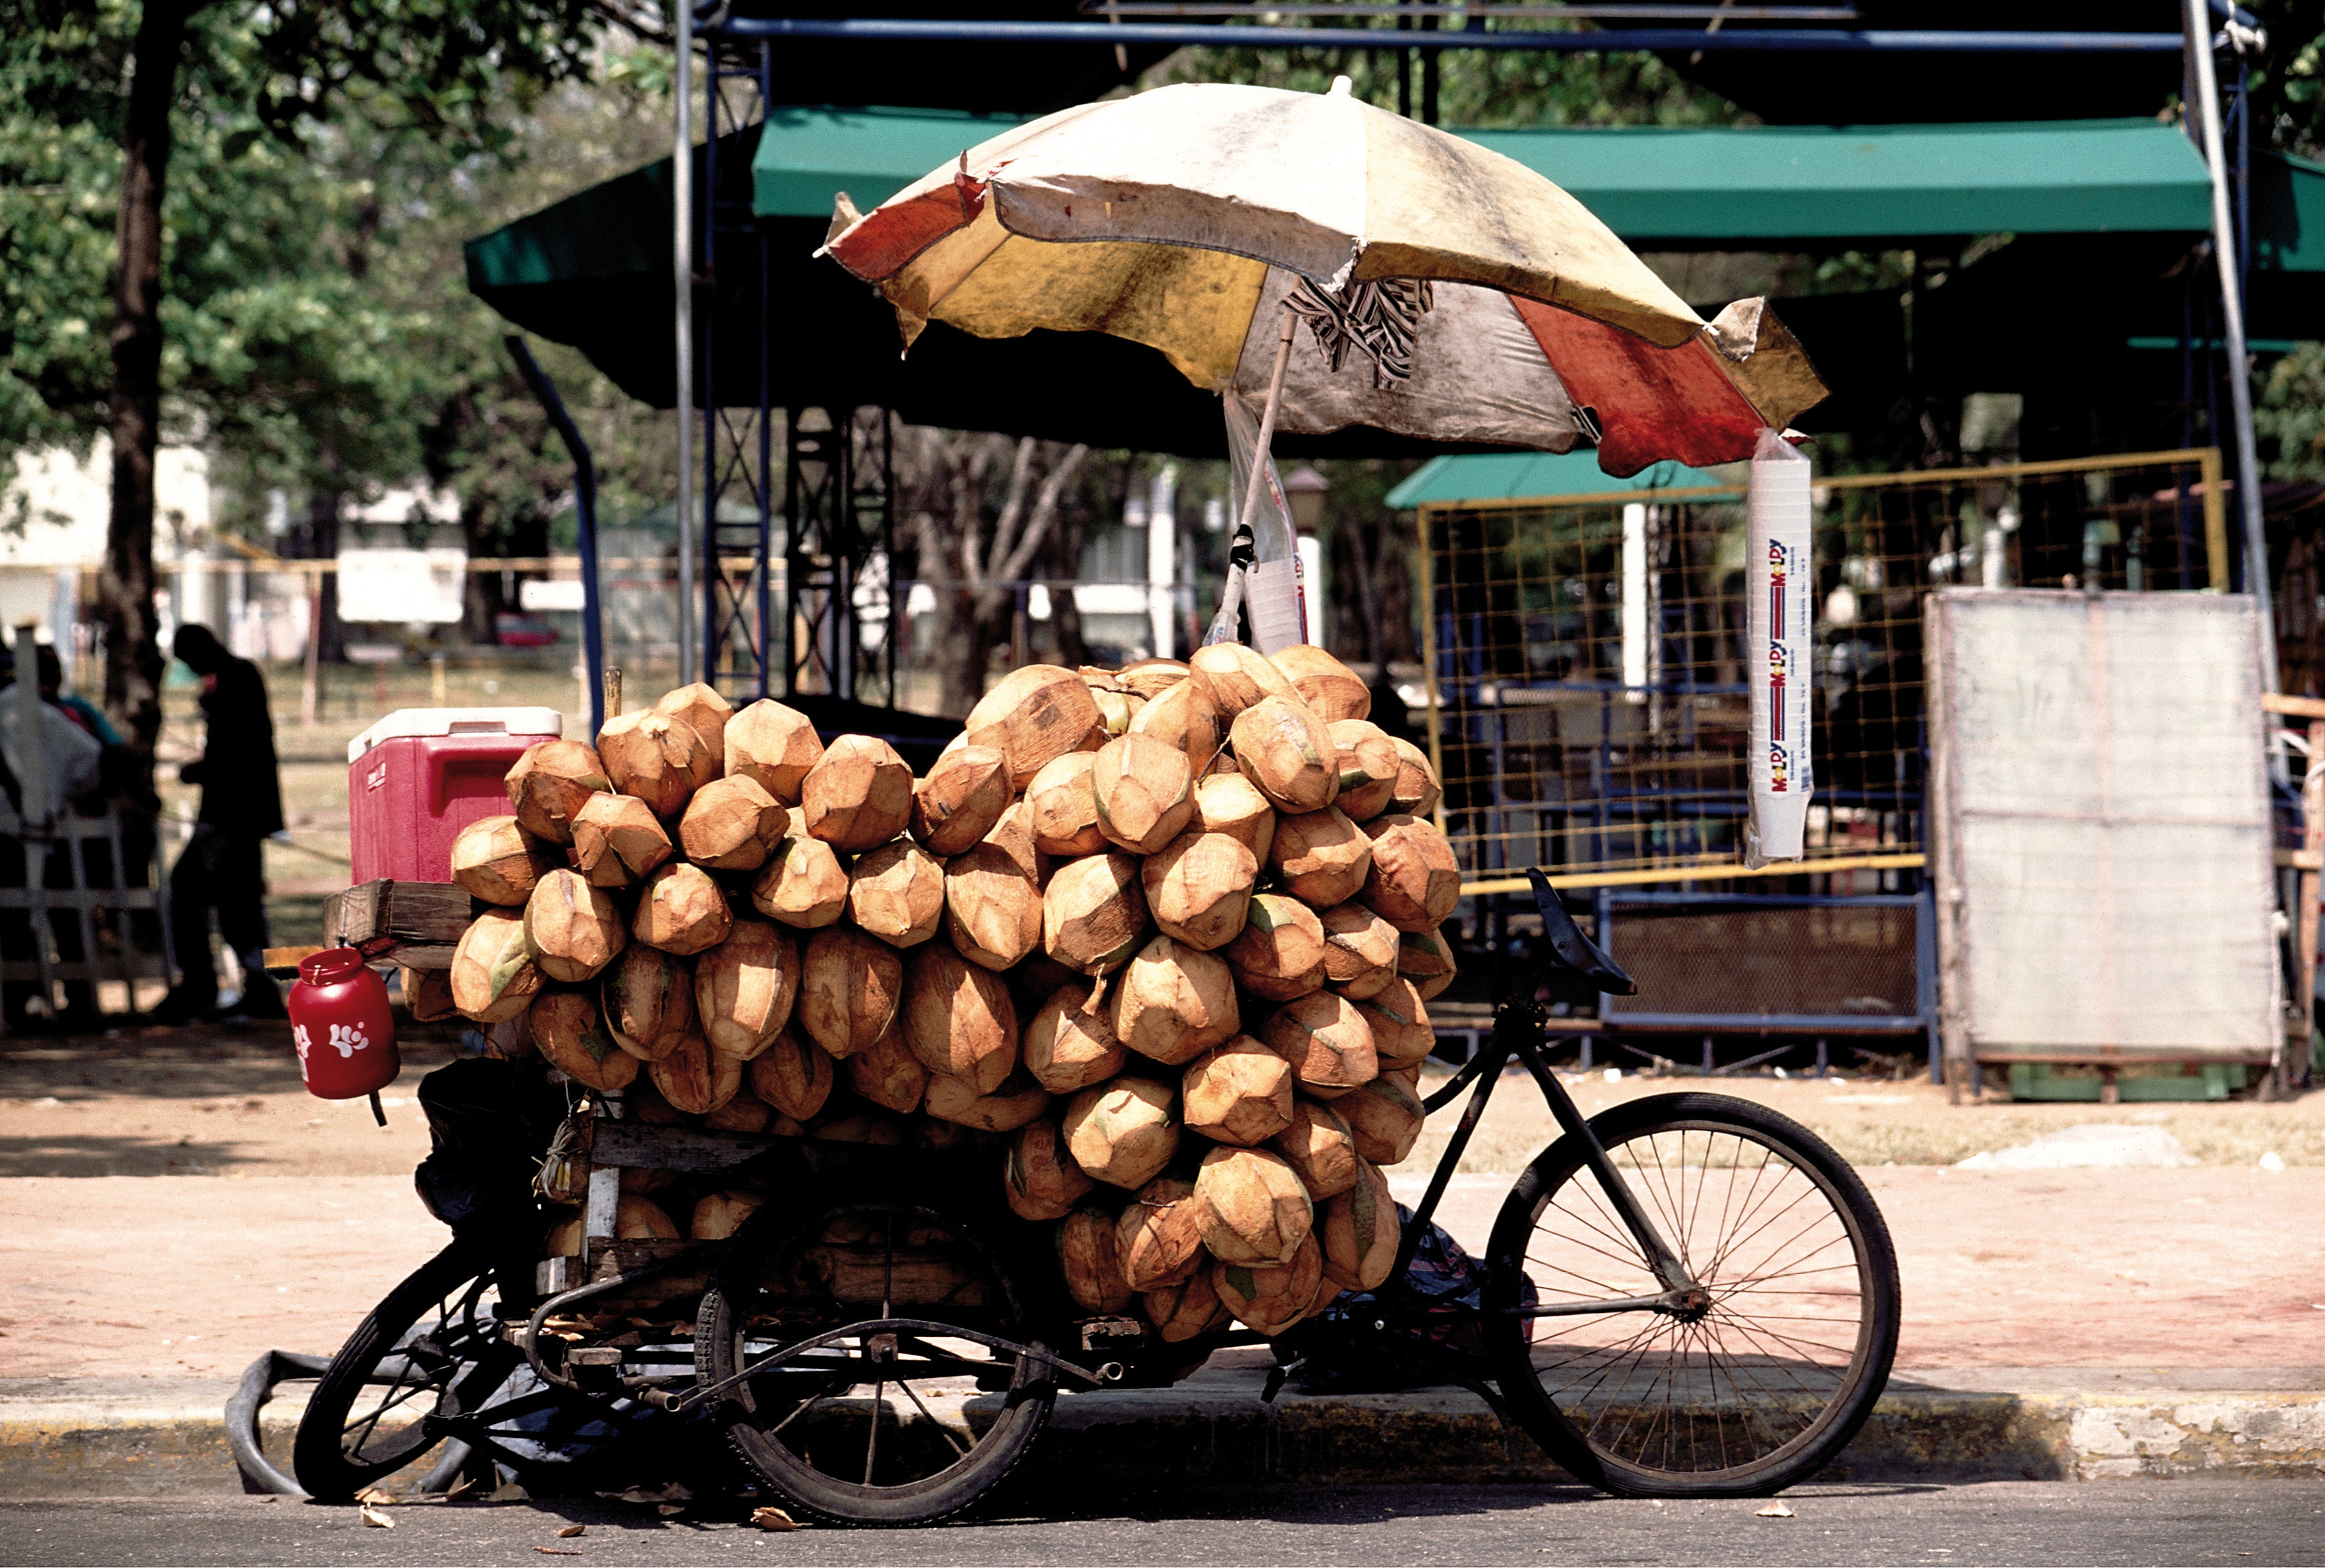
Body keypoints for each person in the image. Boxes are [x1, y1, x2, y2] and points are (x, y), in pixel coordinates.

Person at [155, 624, 287, 1022]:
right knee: (239, 899)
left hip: (230, 814)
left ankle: (199, 983)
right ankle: (259, 986)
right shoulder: (237, 677)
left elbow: (237, 753)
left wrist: (198, 770)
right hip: (240, 813)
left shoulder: (234, 679)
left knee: (186, 888)